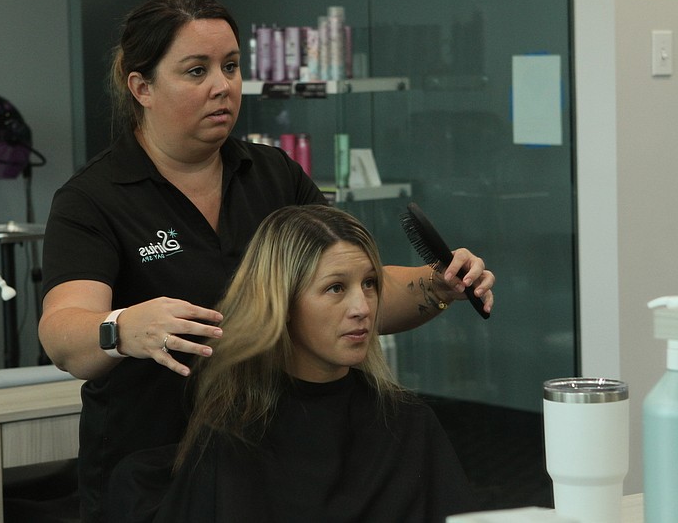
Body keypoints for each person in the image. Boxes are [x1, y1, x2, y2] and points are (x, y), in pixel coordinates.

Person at [39, 0, 494, 523]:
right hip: (158, 474)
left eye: (231, 66)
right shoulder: (95, 199)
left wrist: (436, 286)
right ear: (142, 87)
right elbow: (63, 334)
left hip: (265, 460)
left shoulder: (274, 175)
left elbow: (347, 290)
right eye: (197, 71)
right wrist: (122, 327)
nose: (223, 86)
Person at [107, 204, 477, 522]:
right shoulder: (234, 436)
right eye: (335, 288)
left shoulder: (408, 424)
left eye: (369, 284)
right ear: (281, 304)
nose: (362, 308)